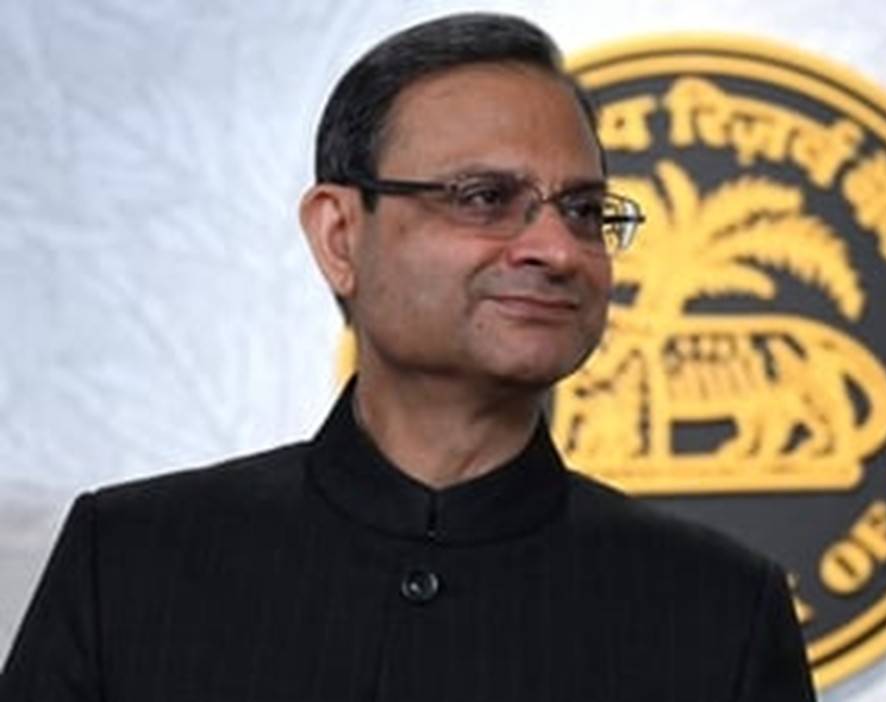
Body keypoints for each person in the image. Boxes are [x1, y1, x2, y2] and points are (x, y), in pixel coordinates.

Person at [0, 12, 815, 701]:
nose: (557, 250)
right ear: (339, 236)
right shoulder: (131, 561)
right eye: (484, 198)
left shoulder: (720, 611)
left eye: (582, 210)